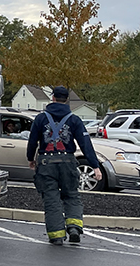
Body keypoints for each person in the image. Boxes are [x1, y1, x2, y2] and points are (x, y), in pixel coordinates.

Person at [27, 86, 101, 245]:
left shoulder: (41, 118)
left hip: (46, 163)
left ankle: (56, 236)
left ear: (52, 98)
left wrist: (30, 159)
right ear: (66, 99)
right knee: (71, 195)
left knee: (51, 199)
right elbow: (85, 143)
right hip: (68, 162)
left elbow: (32, 141)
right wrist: (95, 166)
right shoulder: (74, 120)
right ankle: (74, 227)